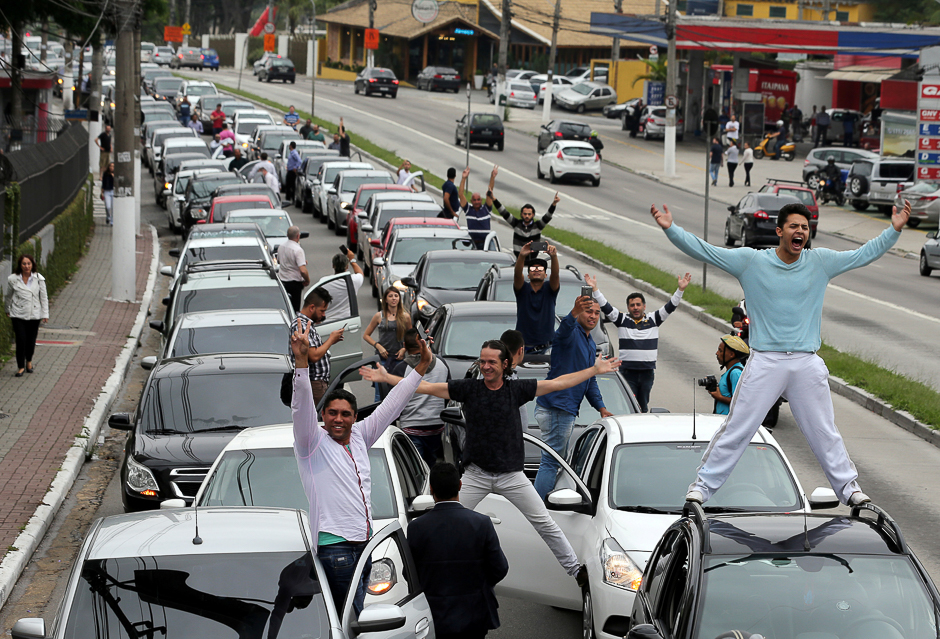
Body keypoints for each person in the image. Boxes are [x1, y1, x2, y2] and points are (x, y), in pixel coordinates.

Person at [648, 199, 912, 507]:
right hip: (766, 360)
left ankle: (849, 489)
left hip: (806, 361)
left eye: (805, 227)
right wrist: (671, 229)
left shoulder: (820, 262)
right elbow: (705, 250)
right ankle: (702, 488)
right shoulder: (751, 261)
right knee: (739, 427)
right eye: (794, 226)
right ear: (779, 232)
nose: (800, 231)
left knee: (824, 431)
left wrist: (893, 230)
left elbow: (862, 255)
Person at [361, 340, 622, 585]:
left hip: (512, 476)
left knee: (545, 523)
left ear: (505, 365)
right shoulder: (469, 389)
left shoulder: (517, 390)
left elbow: (558, 383)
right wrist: (387, 378)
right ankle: (413, 573)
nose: (485, 366)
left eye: (492, 362)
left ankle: (576, 571)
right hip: (476, 475)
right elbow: (423, 387)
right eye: (482, 361)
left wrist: (594, 370)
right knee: (438, 522)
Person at [290, 319, 431, 615]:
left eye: (345, 414)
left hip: (365, 545)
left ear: (355, 417)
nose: (338, 419)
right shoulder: (310, 442)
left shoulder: (360, 436)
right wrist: (301, 362)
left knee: (355, 617)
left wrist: (420, 368)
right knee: (348, 617)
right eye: (331, 413)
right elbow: (301, 405)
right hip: (335, 549)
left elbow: (392, 404)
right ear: (323, 416)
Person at [407, 462, 509, 639]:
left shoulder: (417, 528)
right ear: (460, 485)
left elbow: (410, 574)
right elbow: (500, 568)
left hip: (434, 613)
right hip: (475, 612)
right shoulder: (482, 523)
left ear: (431, 489)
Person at [533, 294, 613, 498]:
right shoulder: (571, 334)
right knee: (551, 461)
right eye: (588, 311)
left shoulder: (590, 343)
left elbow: (590, 380)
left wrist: (601, 407)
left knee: (553, 460)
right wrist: (573, 312)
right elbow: (562, 332)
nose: (593, 316)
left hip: (564, 409)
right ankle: (539, 509)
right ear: (579, 313)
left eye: (597, 313)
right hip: (557, 407)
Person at [589, 272, 690, 412]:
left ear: (644, 306)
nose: (635, 308)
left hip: (647, 372)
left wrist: (680, 290)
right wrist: (595, 289)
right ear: (628, 307)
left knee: (642, 405)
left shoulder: (654, 319)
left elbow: (671, 306)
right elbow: (606, 306)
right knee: (628, 404)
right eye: (632, 305)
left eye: (638, 305)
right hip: (627, 372)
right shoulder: (622, 319)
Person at [391, 329, 450, 466]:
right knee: (431, 463)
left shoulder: (401, 369)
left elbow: (392, 403)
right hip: (436, 427)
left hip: (411, 427)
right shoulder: (442, 364)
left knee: (415, 468)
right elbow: (447, 395)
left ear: (405, 345)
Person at [294, 288, 345, 404]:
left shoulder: (307, 324)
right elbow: (314, 356)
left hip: (318, 383)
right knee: (317, 419)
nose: (323, 315)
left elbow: (313, 350)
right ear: (312, 307)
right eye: (322, 311)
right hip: (314, 383)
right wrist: (331, 340)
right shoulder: (301, 325)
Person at [363, 287, 412, 397]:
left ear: (399, 298)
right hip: (382, 359)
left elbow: (411, 337)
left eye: (396, 296)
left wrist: (404, 349)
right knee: (379, 394)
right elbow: (366, 335)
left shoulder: (405, 317)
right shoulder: (379, 316)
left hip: (398, 360)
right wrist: (378, 346)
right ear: (385, 299)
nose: (393, 299)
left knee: (398, 393)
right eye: (390, 296)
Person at [5, 254, 49, 377]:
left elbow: (44, 297)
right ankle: (20, 366)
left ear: (32, 265)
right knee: (21, 340)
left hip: (34, 314)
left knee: (30, 341)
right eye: (24, 264)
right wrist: (7, 308)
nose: (26, 266)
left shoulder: (39, 279)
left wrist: (45, 313)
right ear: (20, 265)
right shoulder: (13, 279)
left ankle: (28, 361)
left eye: (29, 264)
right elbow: (8, 296)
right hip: (18, 314)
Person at [514, 242, 560, 354]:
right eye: (533, 269)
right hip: (523, 347)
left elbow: (555, 275)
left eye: (540, 269)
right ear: (528, 275)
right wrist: (522, 256)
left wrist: (553, 257)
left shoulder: (550, 289)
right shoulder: (522, 289)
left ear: (545, 275)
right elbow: (517, 274)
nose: (536, 270)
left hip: (547, 347)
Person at [493, 192, 558, 257]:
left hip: (532, 260)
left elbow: (548, 216)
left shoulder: (538, 226)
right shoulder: (516, 224)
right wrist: (494, 199)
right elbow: (504, 213)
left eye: (529, 214)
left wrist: (554, 204)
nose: (527, 216)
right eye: (525, 214)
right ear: (521, 214)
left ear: (533, 215)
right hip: (519, 259)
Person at [707, 334, 749, 415]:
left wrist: (719, 397)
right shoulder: (731, 371)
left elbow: (740, 402)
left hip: (728, 422)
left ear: (731, 355)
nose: (717, 353)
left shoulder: (735, 373)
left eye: (720, 351)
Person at [458, 166, 497, 249]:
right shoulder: (468, 210)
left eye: (478, 200)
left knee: (493, 259)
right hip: (474, 243)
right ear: (471, 201)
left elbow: (490, 191)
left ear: (481, 200)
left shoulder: (486, 209)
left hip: (487, 242)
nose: (476, 202)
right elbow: (461, 194)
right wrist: (463, 178)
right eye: (474, 200)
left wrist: (492, 177)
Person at [322, 247, 364, 322]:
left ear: (333, 265)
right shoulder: (354, 280)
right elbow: (360, 273)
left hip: (328, 322)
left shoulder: (324, 281)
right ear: (347, 266)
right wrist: (352, 260)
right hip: (348, 321)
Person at [278, 226, 310, 311]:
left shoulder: (281, 246)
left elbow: (279, 261)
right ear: (298, 236)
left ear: (287, 235)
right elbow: (303, 270)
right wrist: (307, 279)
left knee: (285, 307)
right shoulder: (298, 250)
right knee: (295, 309)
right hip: (294, 283)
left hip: (282, 281)